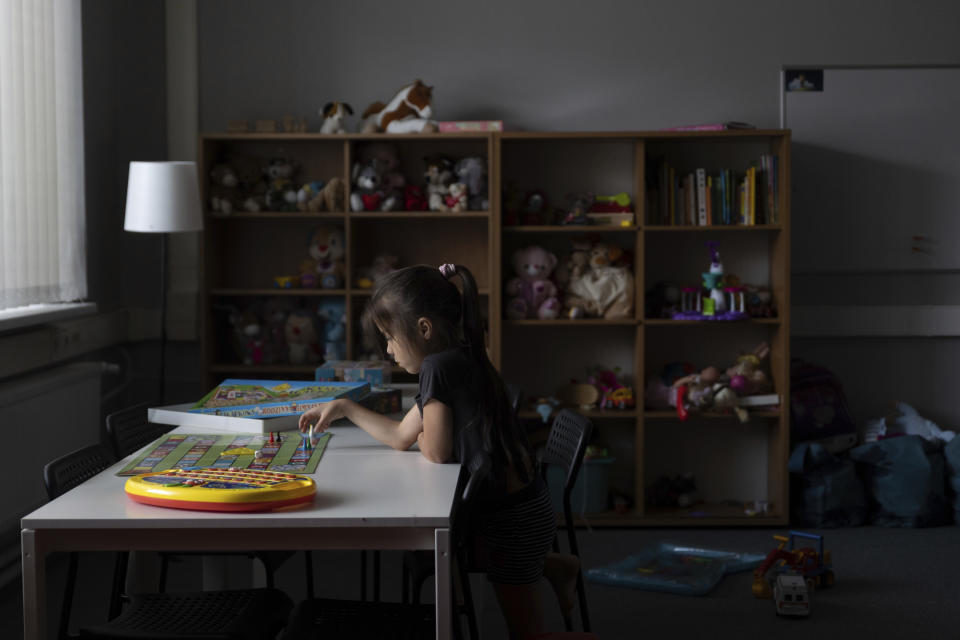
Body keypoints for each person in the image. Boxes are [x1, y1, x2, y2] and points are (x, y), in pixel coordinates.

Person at [298, 263, 579, 638]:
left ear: (424, 329)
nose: (388, 349)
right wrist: (346, 408)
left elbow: (435, 452)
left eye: (390, 337)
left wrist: (427, 433)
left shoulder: (437, 368)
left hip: (511, 522)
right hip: (522, 506)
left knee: (526, 634)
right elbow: (401, 435)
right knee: (462, 555)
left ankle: (549, 573)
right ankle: (554, 566)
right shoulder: (460, 355)